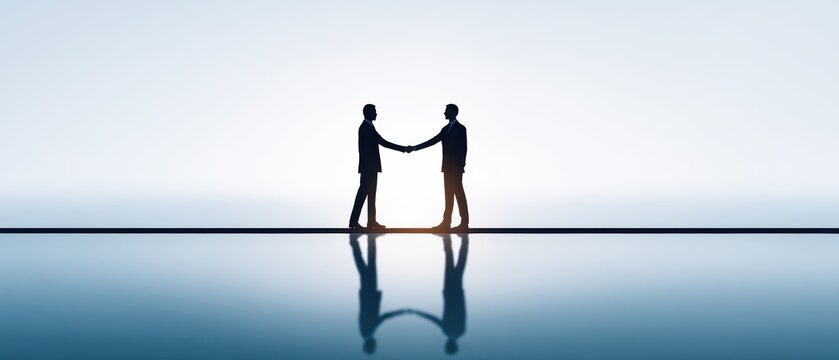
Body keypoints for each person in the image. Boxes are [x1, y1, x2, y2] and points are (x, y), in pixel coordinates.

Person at [350, 104, 410, 231]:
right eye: (375, 112)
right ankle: (354, 222)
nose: (376, 114)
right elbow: (382, 143)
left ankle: (371, 222)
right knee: (363, 194)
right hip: (368, 168)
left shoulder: (369, 127)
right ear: (369, 113)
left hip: (371, 167)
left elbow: (381, 142)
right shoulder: (365, 128)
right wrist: (403, 149)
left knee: (371, 195)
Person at [409, 104, 469, 231]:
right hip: (447, 168)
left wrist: (461, 165)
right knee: (448, 195)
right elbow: (433, 141)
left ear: (453, 112)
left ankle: (464, 223)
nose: (444, 113)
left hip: (456, 169)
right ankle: (446, 222)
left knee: (459, 194)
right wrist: (415, 148)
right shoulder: (445, 129)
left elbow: (464, 149)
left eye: (446, 111)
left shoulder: (461, 129)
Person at [350, 233, 409, 354]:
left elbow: (383, 318)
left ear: (371, 345)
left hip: (369, 295)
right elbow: (381, 317)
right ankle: (363, 241)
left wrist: (401, 311)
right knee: (366, 266)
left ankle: (357, 242)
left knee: (366, 267)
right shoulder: (366, 332)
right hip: (368, 295)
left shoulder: (368, 331)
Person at [410, 234, 469, 355]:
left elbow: (463, 311)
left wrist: (462, 296)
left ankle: (464, 239)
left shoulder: (461, 331)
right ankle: (448, 238)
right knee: (449, 261)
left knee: (460, 265)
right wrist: (417, 312)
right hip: (449, 293)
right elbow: (433, 319)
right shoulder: (447, 330)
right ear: (448, 344)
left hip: (457, 295)